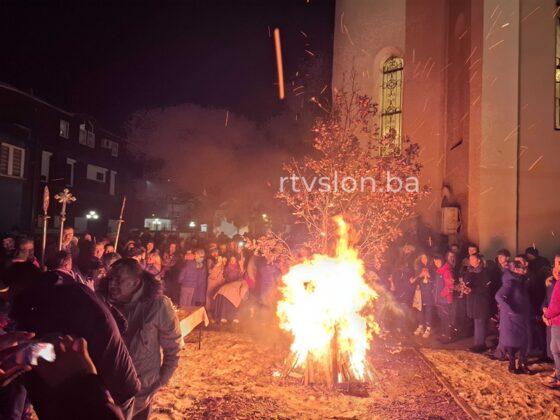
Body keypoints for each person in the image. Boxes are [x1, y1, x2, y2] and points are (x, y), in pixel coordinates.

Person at [7, 261, 140, 417]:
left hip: (99, 396)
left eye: (8, 291)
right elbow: (120, 322)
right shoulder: (76, 289)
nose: (7, 298)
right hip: (118, 381)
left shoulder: (41, 311)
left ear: (17, 288)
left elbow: (41, 368)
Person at [99, 258, 182, 419]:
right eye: (111, 279)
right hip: (110, 389)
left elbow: (173, 346)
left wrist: (161, 380)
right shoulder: (103, 303)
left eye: (119, 280)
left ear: (136, 282)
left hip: (142, 389)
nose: (112, 284)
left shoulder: (157, 305)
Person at [495, 256, 532, 374]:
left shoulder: (520, 280)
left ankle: (522, 363)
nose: (524, 270)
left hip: (522, 315)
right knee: (512, 341)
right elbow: (499, 296)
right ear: (515, 269)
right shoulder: (511, 281)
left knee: (523, 340)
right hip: (512, 317)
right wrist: (510, 310)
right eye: (522, 269)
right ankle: (512, 364)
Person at [463, 253, 490, 352]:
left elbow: (485, 287)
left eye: (473, 259)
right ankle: (477, 343)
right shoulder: (469, 271)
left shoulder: (484, 272)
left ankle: (480, 344)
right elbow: (467, 282)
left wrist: (472, 290)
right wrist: (465, 288)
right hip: (472, 300)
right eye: (470, 259)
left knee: (480, 321)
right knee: (476, 321)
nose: (471, 261)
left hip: (481, 300)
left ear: (479, 260)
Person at [544, 255, 560, 389]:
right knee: (555, 349)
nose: (555, 267)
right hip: (555, 320)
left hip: (557, 322)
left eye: (558, 263)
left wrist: (547, 316)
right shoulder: (554, 282)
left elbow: (555, 305)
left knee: (557, 350)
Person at [412, 253, 434, 338]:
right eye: (422, 258)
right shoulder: (418, 268)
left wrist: (429, 276)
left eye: (425, 257)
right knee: (419, 309)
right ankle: (420, 326)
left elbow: (435, 280)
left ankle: (428, 328)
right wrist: (420, 276)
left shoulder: (432, 267)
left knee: (428, 309)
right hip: (420, 291)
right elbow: (415, 280)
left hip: (428, 292)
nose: (424, 259)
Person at [434, 253, 455, 342]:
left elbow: (450, 286)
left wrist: (441, 295)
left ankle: (448, 337)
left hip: (445, 299)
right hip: (439, 299)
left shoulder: (446, 271)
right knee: (442, 317)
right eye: (435, 261)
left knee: (446, 317)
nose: (436, 263)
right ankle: (443, 335)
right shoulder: (439, 271)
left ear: (442, 261)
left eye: (438, 261)